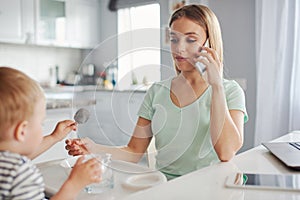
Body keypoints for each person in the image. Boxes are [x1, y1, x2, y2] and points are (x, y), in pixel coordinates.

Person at [65, 4, 248, 180]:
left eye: (191, 39)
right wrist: (94, 148)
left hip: (212, 187)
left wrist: (216, 87)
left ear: (210, 44)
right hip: (165, 188)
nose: (179, 48)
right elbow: (134, 151)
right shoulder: (157, 91)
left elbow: (226, 152)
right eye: (174, 39)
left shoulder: (230, 91)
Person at [0, 67, 101, 199]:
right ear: (22, 131)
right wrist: (75, 184)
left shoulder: (7, 166)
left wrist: (54, 137)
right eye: (41, 123)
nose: (42, 127)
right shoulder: (20, 174)